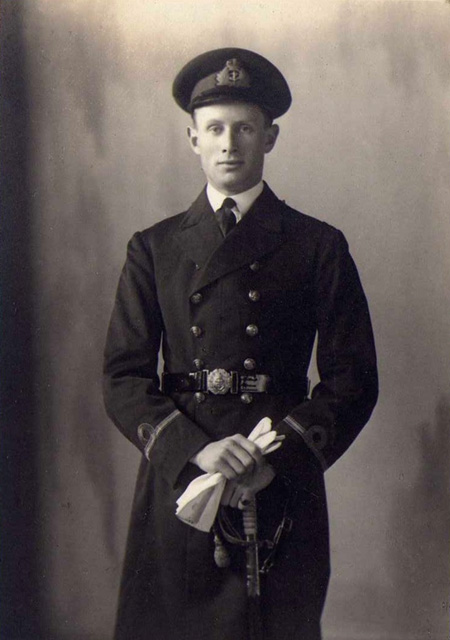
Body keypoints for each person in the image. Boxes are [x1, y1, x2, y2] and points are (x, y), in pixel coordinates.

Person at [103, 47, 378, 640]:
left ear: (270, 137)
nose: (230, 143)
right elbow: (123, 378)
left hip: (274, 475)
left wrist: (275, 461)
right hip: (183, 479)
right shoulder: (153, 248)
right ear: (192, 138)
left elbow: (353, 380)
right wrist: (192, 450)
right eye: (216, 129)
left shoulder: (317, 245)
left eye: (246, 128)